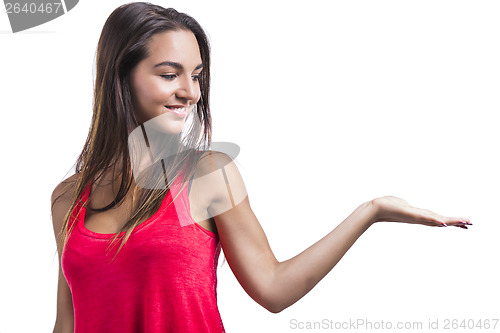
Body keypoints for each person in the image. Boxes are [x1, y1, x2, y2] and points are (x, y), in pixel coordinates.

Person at [50, 2, 472, 333]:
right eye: (168, 74)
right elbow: (67, 325)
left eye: (197, 76)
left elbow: (272, 288)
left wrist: (372, 211)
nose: (190, 92)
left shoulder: (207, 175)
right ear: (120, 76)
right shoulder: (68, 198)